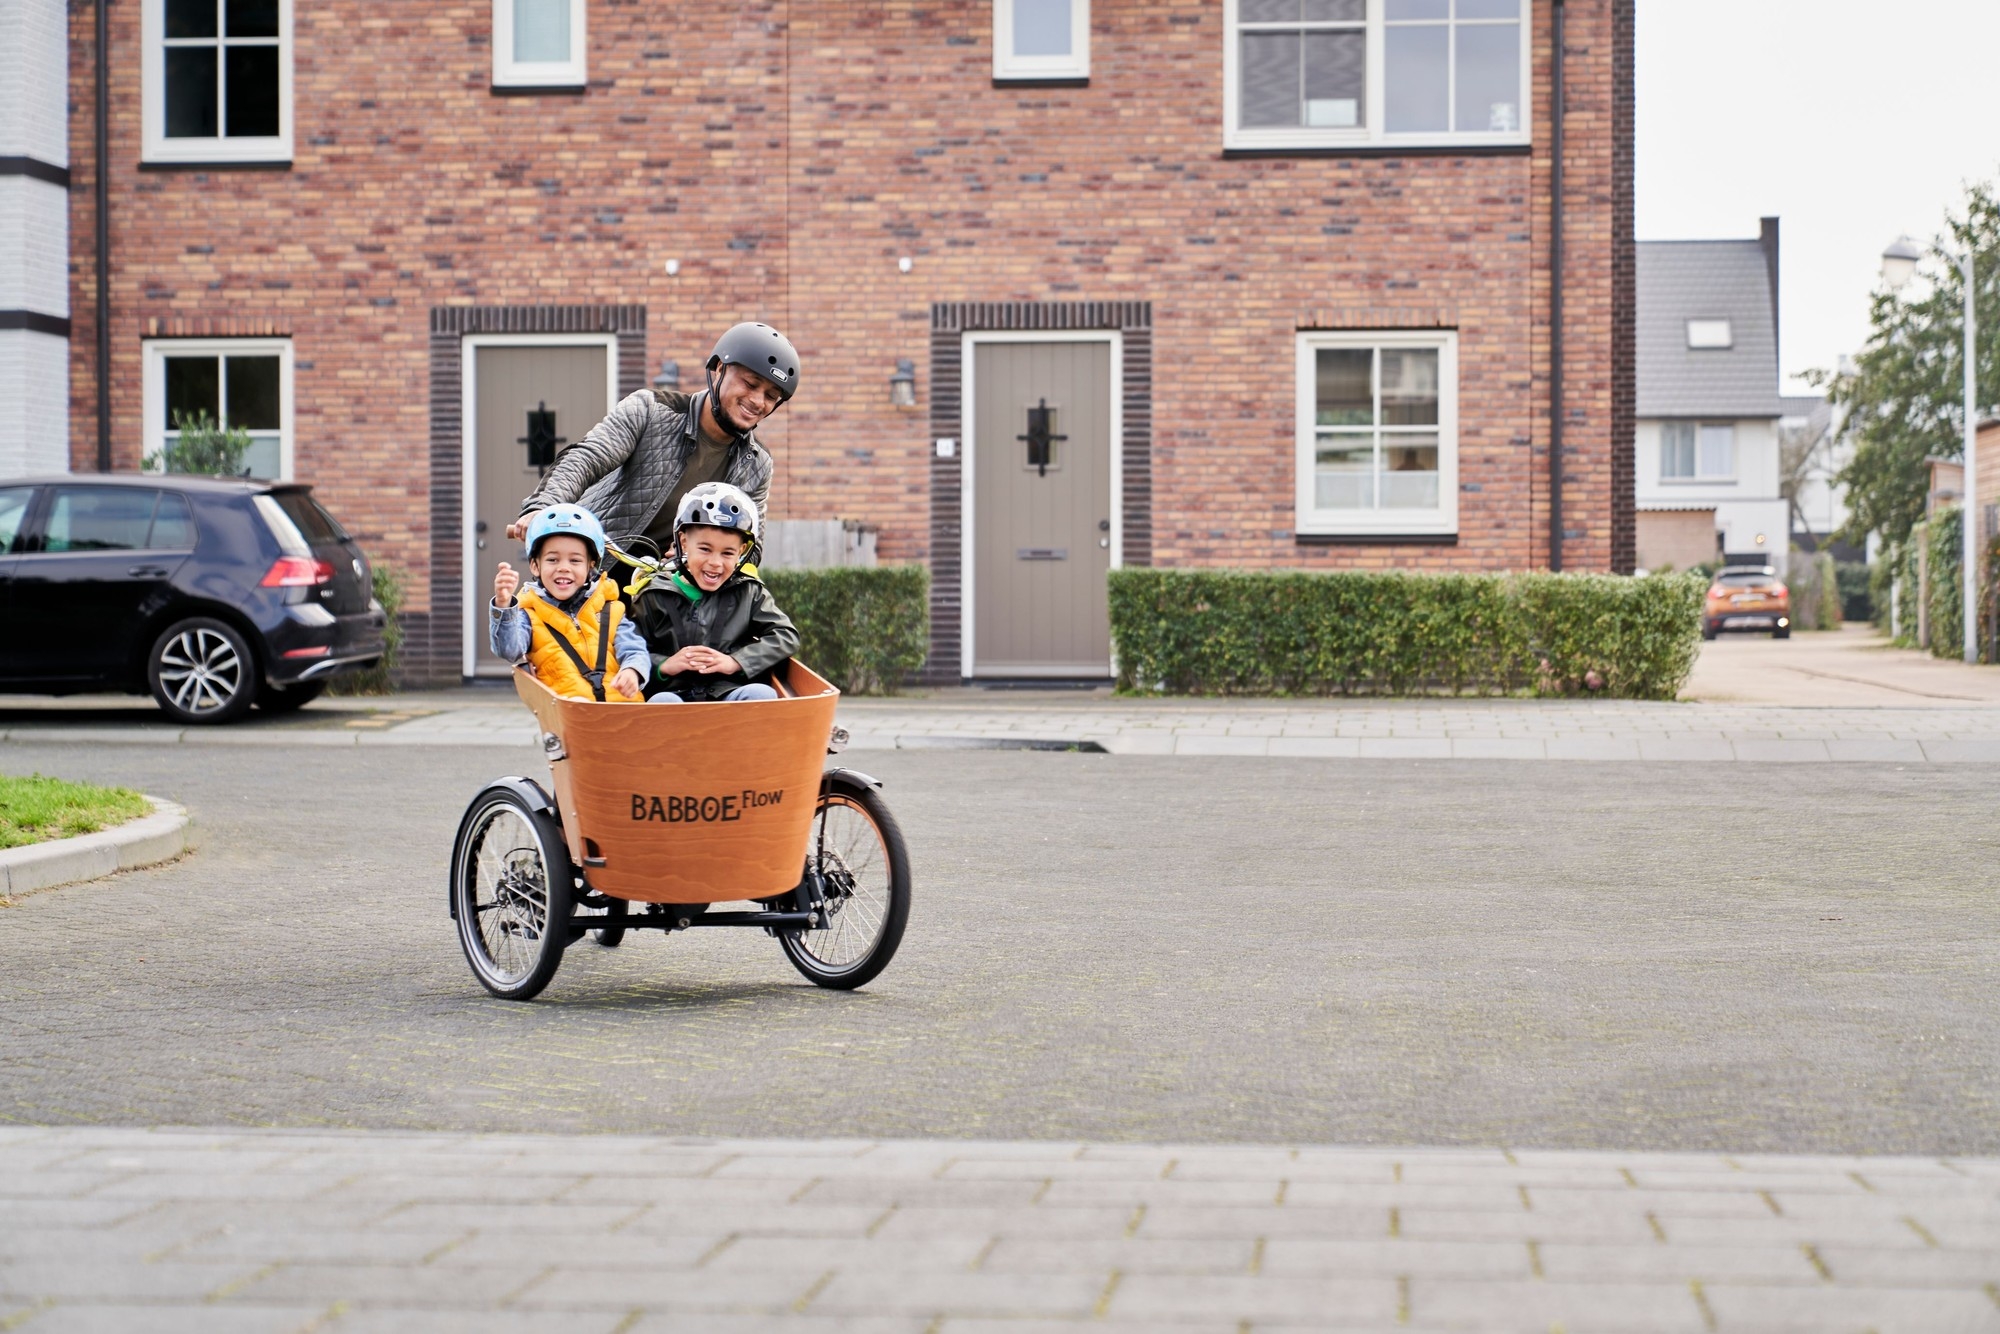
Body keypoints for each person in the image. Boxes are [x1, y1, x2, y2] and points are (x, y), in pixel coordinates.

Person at [504, 322, 800, 550]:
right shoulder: (651, 410)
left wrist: (699, 557)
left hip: (665, 598)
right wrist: (543, 509)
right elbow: (587, 458)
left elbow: (751, 544)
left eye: (771, 396)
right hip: (591, 573)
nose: (758, 401)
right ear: (720, 368)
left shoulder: (757, 464)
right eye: (750, 384)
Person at [629, 482, 799, 704]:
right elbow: (631, 648)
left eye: (728, 553)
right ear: (684, 542)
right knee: (662, 703)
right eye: (705, 549)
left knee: (762, 695)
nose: (715, 563)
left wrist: (736, 662)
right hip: (674, 692)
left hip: (727, 691)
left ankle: (740, 738)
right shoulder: (653, 595)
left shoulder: (749, 592)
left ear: (742, 552)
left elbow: (785, 635)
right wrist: (664, 665)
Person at [491, 504, 648, 703]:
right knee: (578, 706)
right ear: (535, 566)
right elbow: (509, 649)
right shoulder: (529, 614)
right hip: (570, 711)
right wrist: (504, 605)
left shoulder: (611, 609)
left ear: (590, 566)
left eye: (575, 561)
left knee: (666, 703)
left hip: (622, 710)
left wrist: (632, 670)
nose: (564, 568)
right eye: (553, 560)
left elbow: (634, 648)